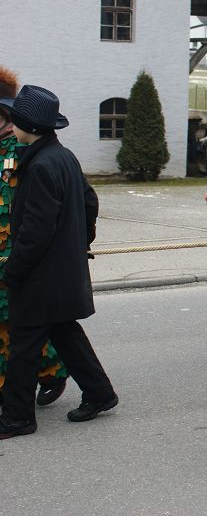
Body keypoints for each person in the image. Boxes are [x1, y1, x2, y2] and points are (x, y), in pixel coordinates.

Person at [0, 85, 116, 439]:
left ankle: (17, 418)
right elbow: (89, 201)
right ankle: (99, 393)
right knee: (65, 333)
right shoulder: (61, 155)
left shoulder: (39, 165)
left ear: (25, 126)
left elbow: (35, 233)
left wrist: (11, 272)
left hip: (41, 275)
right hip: (61, 269)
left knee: (23, 345)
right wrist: (80, 240)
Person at [0, 68, 68, 408]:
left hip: (21, 251)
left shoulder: (27, 151)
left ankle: (49, 375)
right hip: (12, 251)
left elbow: (43, 211)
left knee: (22, 328)